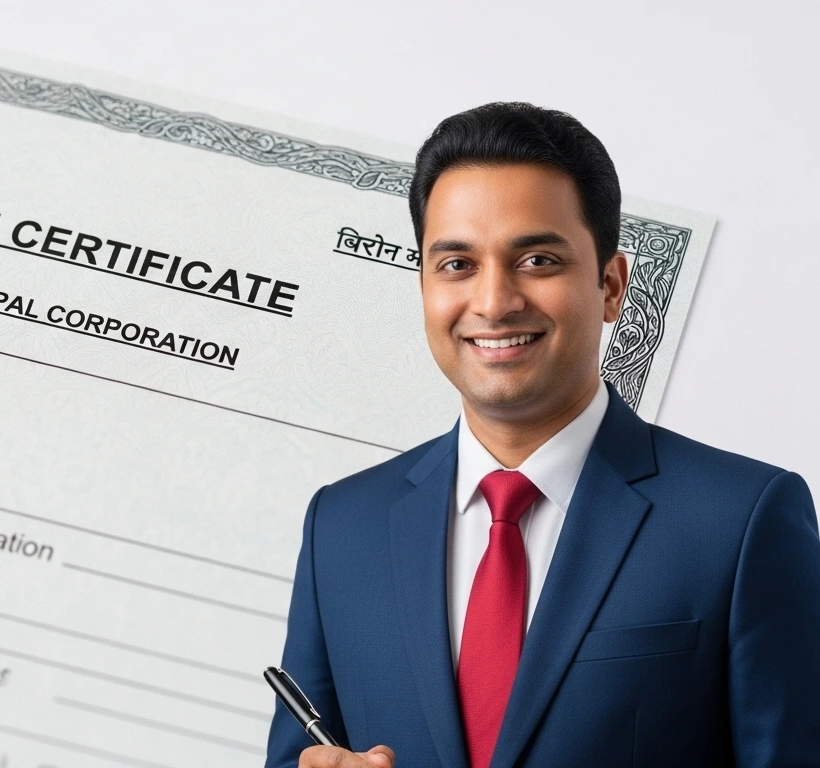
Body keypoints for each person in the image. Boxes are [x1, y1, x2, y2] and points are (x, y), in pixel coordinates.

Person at [265, 102, 820, 768]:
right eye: (457, 265)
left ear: (610, 286)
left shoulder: (741, 520)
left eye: (536, 260)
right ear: (424, 287)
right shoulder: (342, 525)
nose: (494, 302)